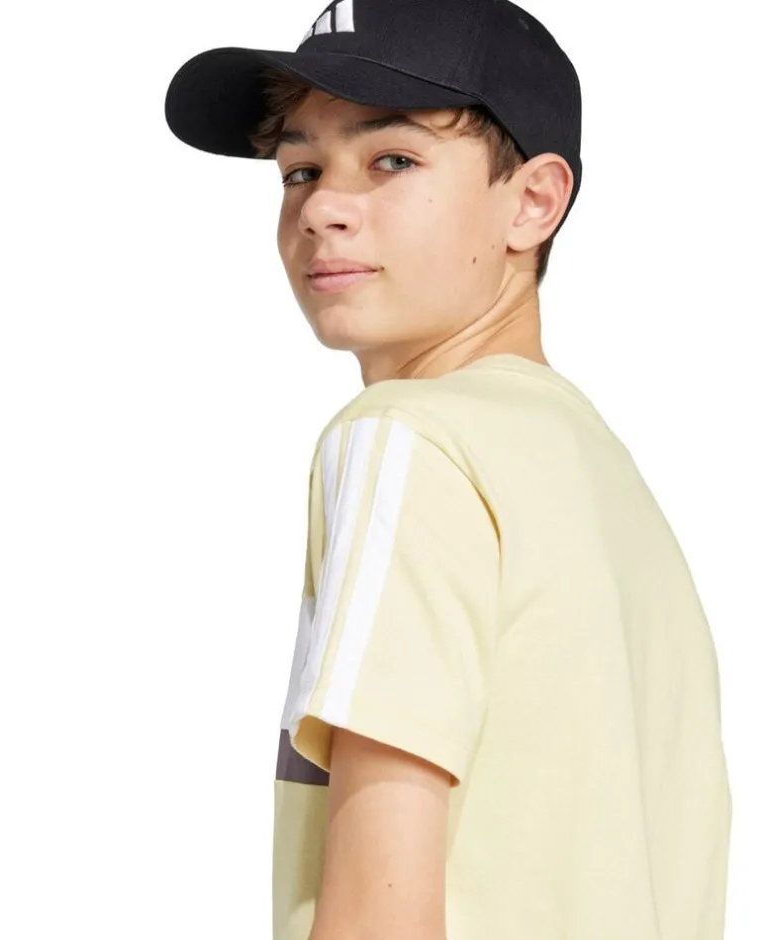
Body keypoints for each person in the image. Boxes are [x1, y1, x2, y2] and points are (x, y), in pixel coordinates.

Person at [164, 1, 733, 938]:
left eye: (392, 159)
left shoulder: (405, 440)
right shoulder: (609, 488)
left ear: (534, 201)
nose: (321, 207)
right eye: (301, 170)